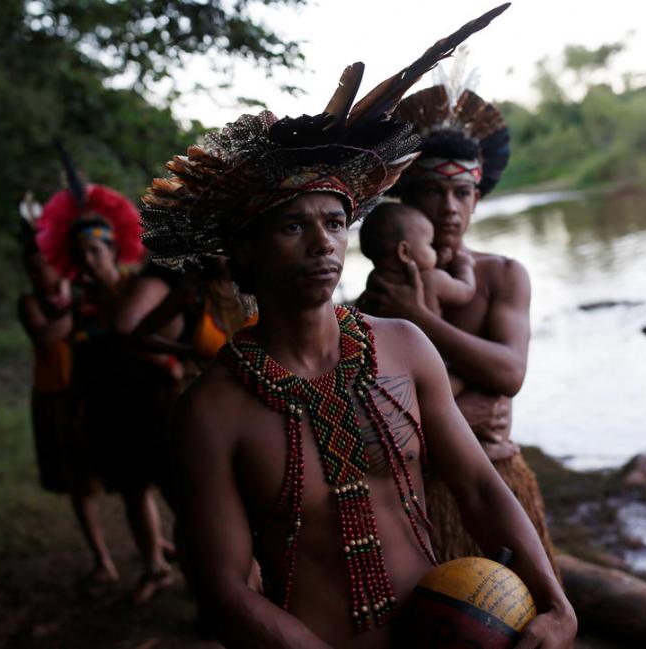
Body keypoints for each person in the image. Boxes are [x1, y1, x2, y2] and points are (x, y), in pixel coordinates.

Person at [140, 6, 575, 648]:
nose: (323, 244)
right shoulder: (211, 411)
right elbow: (225, 587)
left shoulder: (403, 346)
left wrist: (557, 605)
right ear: (245, 253)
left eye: (334, 224)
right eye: (293, 226)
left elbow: (480, 488)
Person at [363, 81, 560, 574]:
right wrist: (472, 388)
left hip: (496, 479)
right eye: (433, 190)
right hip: (410, 493)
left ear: (477, 199)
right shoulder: (381, 289)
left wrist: (422, 319)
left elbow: (511, 374)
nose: (449, 207)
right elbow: (373, 390)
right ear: (405, 198)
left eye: (461, 192)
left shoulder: (502, 275)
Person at [36, 164, 173, 598]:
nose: (89, 260)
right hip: (107, 407)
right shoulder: (80, 306)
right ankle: (154, 566)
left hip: (154, 402)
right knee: (132, 490)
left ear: (114, 251)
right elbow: (64, 351)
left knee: (180, 489)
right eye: (81, 255)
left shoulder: (142, 290)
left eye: (96, 251)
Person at [17, 193, 74, 495]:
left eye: (42, 266)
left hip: (79, 389)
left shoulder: (74, 293)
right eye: (31, 270)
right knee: (68, 475)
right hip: (52, 393)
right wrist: (73, 305)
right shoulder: (29, 302)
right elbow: (46, 336)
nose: (37, 275)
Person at [357, 201, 475, 322]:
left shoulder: (374, 283)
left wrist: (438, 264)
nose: (434, 250)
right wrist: (464, 266)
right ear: (404, 252)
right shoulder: (432, 279)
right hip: (431, 340)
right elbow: (467, 291)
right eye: (429, 244)